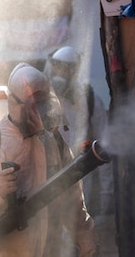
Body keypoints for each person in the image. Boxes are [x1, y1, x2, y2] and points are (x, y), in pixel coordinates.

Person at [0, 62, 98, 257]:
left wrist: (86, 242)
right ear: (15, 105)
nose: (41, 113)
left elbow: (72, 200)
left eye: (44, 104)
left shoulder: (54, 141)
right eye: (34, 106)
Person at [44, 46, 113, 216]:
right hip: (49, 173)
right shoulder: (42, 99)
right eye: (57, 66)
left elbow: (104, 144)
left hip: (80, 174)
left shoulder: (89, 99)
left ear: (75, 69)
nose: (61, 72)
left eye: (67, 68)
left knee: (80, 220)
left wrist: (106, 197)